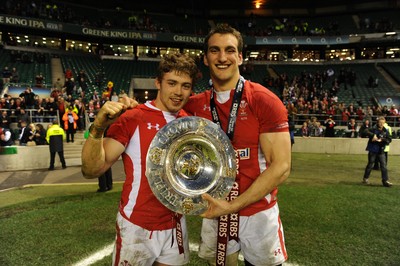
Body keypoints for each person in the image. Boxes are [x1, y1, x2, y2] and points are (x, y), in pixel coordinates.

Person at [183, 24, 291, 266]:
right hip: (215, 212)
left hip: (257, 213)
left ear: (240, 57)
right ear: (205, 57)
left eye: (230, 50)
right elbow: (160, 117)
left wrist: (231, 206)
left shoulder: (264, 100)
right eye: (215, 50)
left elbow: (281, 167)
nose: (222, 57)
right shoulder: (194, 107)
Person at [81, 53, 199, 265]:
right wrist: (98, 126)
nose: (178, 92)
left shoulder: (189, 124)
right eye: (172, 83)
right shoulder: (133, 116)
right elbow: (92, 170)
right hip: (137, 226)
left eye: (185, 86)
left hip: (176, 224)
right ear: (158, 83)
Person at [362, 116, 392, 187]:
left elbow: (389, 139)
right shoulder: (373, 129)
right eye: (380, 122)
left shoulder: (385, 130)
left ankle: (385, 181)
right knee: (370, 164)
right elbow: (365, 131)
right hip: (373, 149)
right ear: (377, 122)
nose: (381, 124)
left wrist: (382, 140)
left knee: (383, 166)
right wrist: (373, 135)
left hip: (381, 150)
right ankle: (365, 178)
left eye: (383, 123)